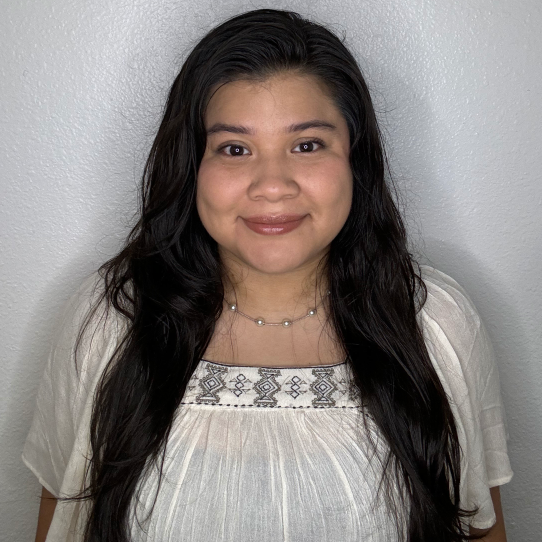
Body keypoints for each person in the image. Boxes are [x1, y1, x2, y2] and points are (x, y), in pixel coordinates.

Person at [22, 8, 513, 542]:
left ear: (356, 158)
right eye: (235, 149)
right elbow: (62, 521)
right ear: (191, 166)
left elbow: (481, 528)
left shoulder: (436, 323)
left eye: (307, 145)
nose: (272, 185)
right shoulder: (111, 320)